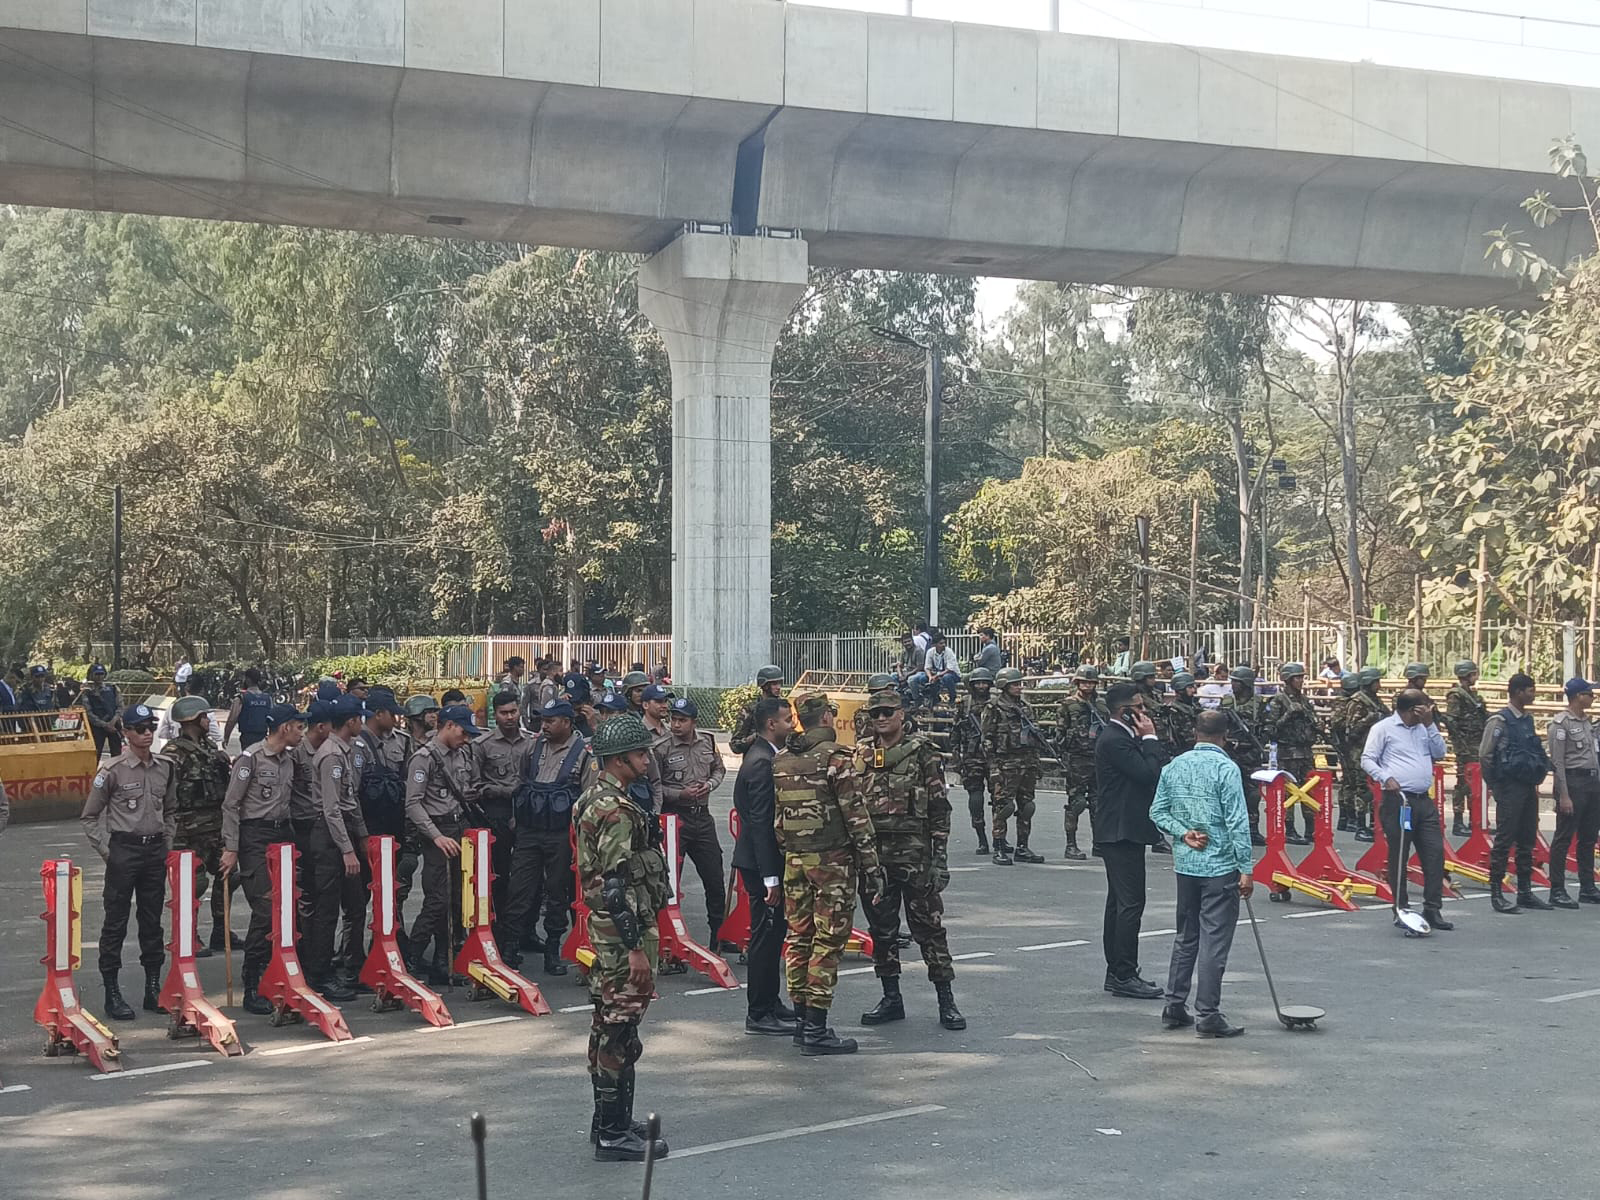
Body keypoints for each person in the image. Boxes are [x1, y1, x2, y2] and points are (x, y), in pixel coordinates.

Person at [576, 714, 672, 1162]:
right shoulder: (615, 809)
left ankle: (608, 1122)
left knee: (606, 1025)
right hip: (621, 935)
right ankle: (613, 1136)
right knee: (620, 1032)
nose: (646, 759)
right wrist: (635, 947)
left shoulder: (594, 798)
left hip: (607, 931)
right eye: (639, 753)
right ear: (617, 761)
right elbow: (615, 884)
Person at [772, 692, 883, 1056]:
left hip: (794, 862)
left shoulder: (783, 761)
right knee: (829, 940)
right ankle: (817, 1028)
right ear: (825, 718)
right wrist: (871, 867)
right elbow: (856, 818)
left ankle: (803, 1021)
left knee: (799, 938)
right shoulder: (836, 759)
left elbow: (778, 821)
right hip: (831, 863)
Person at [855, 689, 965, 1032]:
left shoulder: (923, 753)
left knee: (930, 930)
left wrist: (940, 860)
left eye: (888, 711)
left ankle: (946, 1000)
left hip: (916, 856)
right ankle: (891, 998)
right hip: (876, 859)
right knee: (882, 931)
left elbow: (938, 808)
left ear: (902, 714)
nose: (882, 718)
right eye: (876, 713)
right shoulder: (861, 754)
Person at [1150, 709, 1253, 1038]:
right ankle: (1208, 1012)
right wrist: (1246, 867)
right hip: (1219, 864)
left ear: (1195, 732)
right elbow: (1238, 821)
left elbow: (1157, 811)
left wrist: (1182, 833)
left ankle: (1174, 1004)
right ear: (1225, 736)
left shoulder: (1174, 766)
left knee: (1186, 935)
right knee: (1214, 941)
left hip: (1187, 864)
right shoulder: (1226, 768)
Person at [81, 702, 176, 1021]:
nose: (147, 733)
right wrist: (109, 851)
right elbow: (90, 816)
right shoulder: (112, 770)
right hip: (124, 849)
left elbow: (172, 809)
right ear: (126, 733)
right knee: (115, 923)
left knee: (152, 921)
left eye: (150, 727)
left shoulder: (165, 766)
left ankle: (153, 988)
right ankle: (112, 992)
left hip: (153, 851)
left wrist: (168, 841)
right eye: (139, 729)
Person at [220, 703, 304, 1016]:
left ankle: (277, 973)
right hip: (254, 836)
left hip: (283, 834)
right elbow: (231, 805)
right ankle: (252, 980)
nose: (301, 732)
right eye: (298, 726)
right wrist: (232, 847)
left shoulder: (289, 759)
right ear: (285, 728)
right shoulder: (250, 758)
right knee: (266, 908)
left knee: (288, 908)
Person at [1093, 682, 1171, 999]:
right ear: (1124, 712)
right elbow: (1149, 774)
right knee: (1130, 904)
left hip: (1123, 829)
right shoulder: (1115, 739)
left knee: (1119, 903)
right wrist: (1150, 737)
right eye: (1138, 708)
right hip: (1120, 830)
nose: (1144, 712)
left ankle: (1118, 971)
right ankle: (1124, 973)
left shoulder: (1121, 737)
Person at [502, 698, 591, 975]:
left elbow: (588, 797)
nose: (545, 725)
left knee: (557, 893)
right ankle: (510, 947)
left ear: (566, 722)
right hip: (530, 832)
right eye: (543, 720)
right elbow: (521, 783)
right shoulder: (533, 746)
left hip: (561, 835)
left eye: (551, 721)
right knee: (519, 889)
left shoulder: (583, 753)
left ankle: (553, 949)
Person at [732, 696, 798, 1036]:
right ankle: (758, 1012)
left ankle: (770, 1002)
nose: (793, 725)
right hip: (760, 865)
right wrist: (772, 877)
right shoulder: (760, 762)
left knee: (774, 936)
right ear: (771, 724)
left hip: (763, 862)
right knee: (764, 936)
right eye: (787, 719)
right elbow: (760, 823)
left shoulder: (763, 755)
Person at [1362, 688, 1452, 930]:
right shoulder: (1383, 729)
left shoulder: (1425, 728)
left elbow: (1440, 753)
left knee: (1434, 854)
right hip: (1399, 800)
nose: (1430, 709)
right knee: (1399, 854)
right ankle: (1400, 908)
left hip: (1424, 800)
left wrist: (1431, 725)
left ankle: (1433, 909)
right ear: (1414, 709)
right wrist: (1384, 777)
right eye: (1426, 706)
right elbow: (1367, 759)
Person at [406, 704, 478, 984]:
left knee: (459, 899)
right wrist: (435, 835)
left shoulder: (461, 754)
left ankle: (443, 962)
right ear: (448, 725)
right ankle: (412, 955)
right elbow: (413, 804)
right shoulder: (423, 758)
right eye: (462, 731)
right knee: (437, 900)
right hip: (437, 830)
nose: (466, 738)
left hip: (459, 826)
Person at [162, 694, 238, 958]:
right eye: (205, 716)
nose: (209, 720)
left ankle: (221, 930)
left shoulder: (209, 748)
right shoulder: (173, 753)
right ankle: (188, 935)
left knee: (230, 875)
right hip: (187, 828)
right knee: (193, 884)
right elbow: (167, 794)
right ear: (193, 719)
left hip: (214, 825)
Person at [655, 696, 729, 950]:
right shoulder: (662, 747)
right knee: (668, 882)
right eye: (673, 719)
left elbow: (719, 770)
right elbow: (654, 787)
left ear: (693, 722)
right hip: (675, 819)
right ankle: (667, 941)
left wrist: (709, 785)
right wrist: (679, 794)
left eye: (682, 720)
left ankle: (718, 936)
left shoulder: (707, 741)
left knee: (715, 879)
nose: (676, 725)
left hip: (702, 816)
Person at [309, 695, 368, 999]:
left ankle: (354, 967)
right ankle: (320, 975)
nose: (362, 723)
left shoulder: (345, 751)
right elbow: (332, 808)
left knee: (356, 905)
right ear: (351, 722)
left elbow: (350, 801)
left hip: (343, 830)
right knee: (328, 908)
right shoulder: (332, 755)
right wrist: (347, 848)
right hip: (330, 835)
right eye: (360, 718)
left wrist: (363, 836)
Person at [1480, 672, 1553, 914]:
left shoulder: (1527, 720)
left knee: (1527, 840)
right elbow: (1485, 755)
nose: (1533, 694)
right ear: (1518, 692)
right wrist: (1496, 786)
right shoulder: (1500, 721)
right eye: (1530, 690)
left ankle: (1525, 892)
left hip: (1527, 786)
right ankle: (1496, 894)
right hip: (1509, 787)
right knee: (1503, 840)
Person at [471, 691, 532, 941]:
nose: (509, 717)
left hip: (527, 814)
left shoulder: (531, 742)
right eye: (504, 713)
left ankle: (525, 931)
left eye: (513, 712)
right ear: (495, 715)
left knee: (529, 876)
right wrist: (502, 790)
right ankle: (498, 931)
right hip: (496, 814)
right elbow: (475, 786)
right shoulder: (482, 745)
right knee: (498, 874)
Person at [981, 667, 1046, 866]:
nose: (1019, 687)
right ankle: (999, 847)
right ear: (1004, 686)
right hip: (1005, 764)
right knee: (1004, 807)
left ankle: (1022, 848)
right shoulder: (994, 708)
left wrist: (1037, 763)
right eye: (1015, 684)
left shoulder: (1026, 707)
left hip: (1027, 763)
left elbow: (1034, 737)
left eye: (1020, 684)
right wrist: (993, 767)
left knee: (1027, 807)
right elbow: (987, 739)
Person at [1547, 678, 1600, 907]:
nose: (1593, 697)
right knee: (1563, 838)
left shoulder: (1588, 723)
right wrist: (1564, 795)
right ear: (1579, 695)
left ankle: (1587, 886)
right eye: (1590, 693)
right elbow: (1557, 762)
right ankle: (1557, 889)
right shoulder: (1561, 724)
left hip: (1592, 783)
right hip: (1573, 783)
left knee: (1588, 838)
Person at [1266, 662, 1323, 845]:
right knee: (1288, 793)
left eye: (1302, 677)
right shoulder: (1278, 701)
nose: (1301, 681)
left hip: (1306, 752)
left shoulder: (1305, 701)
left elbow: (1313, 723)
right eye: (1297, 677)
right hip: (1287, 754)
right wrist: (1287, 715)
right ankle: (1289, 829)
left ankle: (1310, 829)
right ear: (1287, 680)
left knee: (1311, 791)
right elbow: (1271, 731)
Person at [1056, 666, 1108, 861]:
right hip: (1077, 759)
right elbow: (1060, 734)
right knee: (1076, 803)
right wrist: (1064, 759)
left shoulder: (1102, 705)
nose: (1088, 685)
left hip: (1098, 758)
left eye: (1091, 682)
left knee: (1098, 803)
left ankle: (1099, 843)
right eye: (1084, 682)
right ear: (1077, 683)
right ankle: (1071, 845)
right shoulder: (1068, 705)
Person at [1219, 667, 1268, 846]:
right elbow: (1218, 724)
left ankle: (1253, 829)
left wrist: (1257, 744)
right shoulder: (1226, 702)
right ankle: (1230, 829)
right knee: (1228, 792)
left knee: (1253, 794)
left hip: (1251, 753)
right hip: (1231, 753)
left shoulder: (1259, 703)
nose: (1233, 685)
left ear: (1246, 683)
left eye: (1236, 681)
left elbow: (1268, 726)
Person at [951, 667, 994, 855]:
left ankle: (999, 838)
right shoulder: (965, 704)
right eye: (978, 683)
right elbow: (956, 732)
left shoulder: (996, 703)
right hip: (972, 757)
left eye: (985, 682)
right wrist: (956, 757)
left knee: (1001, 800)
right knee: (976, 798)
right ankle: (982, 839)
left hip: (994, 757)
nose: (982, 686)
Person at [1445, 660, 1488, 838]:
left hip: (1476, 744)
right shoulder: (1456, 695)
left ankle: (1474, 820)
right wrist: (1460, 744)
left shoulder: (1473, 695)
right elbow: (1451, 721)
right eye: (1474, 673)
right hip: (1465, 746)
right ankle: (1458, 821)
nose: (1476, 676)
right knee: (1463, 783)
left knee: (1475, 785)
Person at [223, 668, 272, 753]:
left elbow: (232, 719)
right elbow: (273, 719)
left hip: (247, 738)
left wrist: (226, 737)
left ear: (248, 680)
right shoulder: (268, 698)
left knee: (249, 761)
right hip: (263, 737)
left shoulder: (241, 698)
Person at [80, 664, 122, 760]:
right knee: (94, 756)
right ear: (91, 675)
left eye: (101, 674)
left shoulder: (113, 688)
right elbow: (88, 713)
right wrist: (104, 725)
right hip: (97, 727)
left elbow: (120, 707)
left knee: (117, 756)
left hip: (114, 725)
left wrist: (114, 721)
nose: (99, 677)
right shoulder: (87, 691)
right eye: (96, 674)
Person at [915, 632, 961, 708]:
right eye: (941, 643)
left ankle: (952, 698)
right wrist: (930, 677)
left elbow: (949, 669)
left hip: (952, 674)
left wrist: (936, 676)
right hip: (937, 674)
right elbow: (927, 667)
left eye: (944, 643)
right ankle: (933, 698)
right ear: (934, 645)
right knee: (922, 678)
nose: (943, 645)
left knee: (947, 677)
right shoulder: (930, 652)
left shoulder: (948, 652)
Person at [1165, 672, 1201, 755]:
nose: (1193, 690)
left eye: (1193, 687)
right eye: (1190, 687)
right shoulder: (1175, 711)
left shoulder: (1193, 706)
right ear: (1180, 690)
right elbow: (1185, 740)